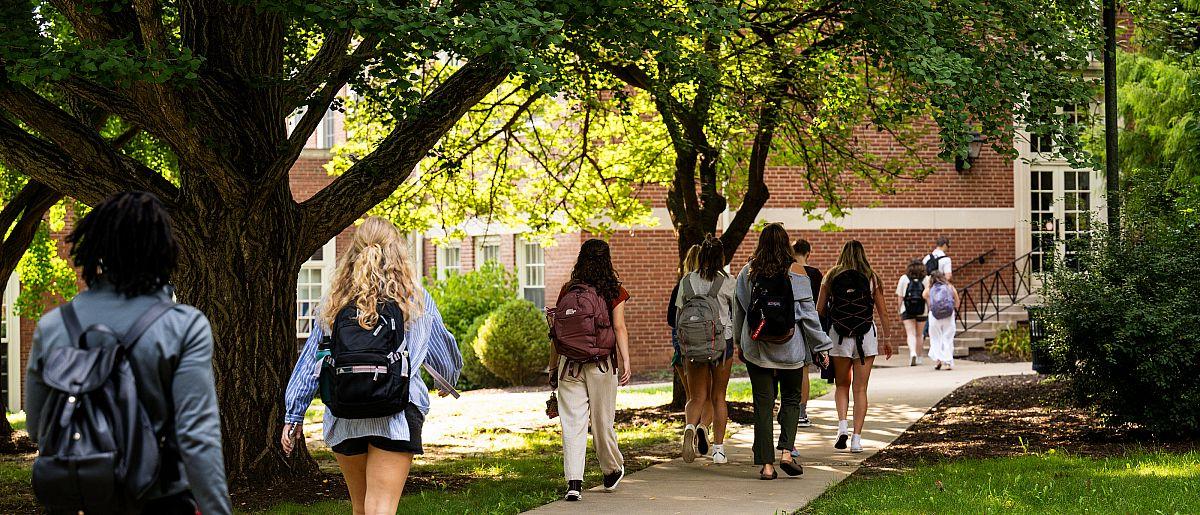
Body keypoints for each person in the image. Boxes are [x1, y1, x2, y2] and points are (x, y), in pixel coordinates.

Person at [24, 191, 232, 514]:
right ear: (163, 250)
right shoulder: (184, 326)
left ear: (97, 248)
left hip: (76, 499)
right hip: (158, 499)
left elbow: (38, 427)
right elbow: (198, 439)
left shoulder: (53, 326)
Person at [282, 217, 462, 515]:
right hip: (398, 412)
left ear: (353, 252)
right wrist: (448, 379)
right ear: (398, 253)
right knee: (380, 508)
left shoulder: (334, 300)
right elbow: (443, 353)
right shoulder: (414, 298)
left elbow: (312, 361)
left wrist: (294, 414)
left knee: (361, 508)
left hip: (345, 412)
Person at [733, 223, 832, 480]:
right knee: (791, 398)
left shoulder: (748, 272)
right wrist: (821, 346)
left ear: (761, 243)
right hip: (791, 349)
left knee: (762, 404)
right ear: (787, 244)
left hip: (757, 347)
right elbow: (809, 316)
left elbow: (741, 311)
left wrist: (739, 342)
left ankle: (766, 466)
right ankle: (787, 452)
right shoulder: (798, 272)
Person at [548, 239, 631, 501]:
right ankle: (611, 470)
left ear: (580, 259)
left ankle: (574, 483)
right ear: (607, 260)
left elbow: (556, 333)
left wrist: (552, 367)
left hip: (569, 364)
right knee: (602, 421)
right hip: (602, 364)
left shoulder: (567, 290)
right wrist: (626, 361)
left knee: (572, 423)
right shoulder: (613, 290)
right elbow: (619, 328)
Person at [818, 240, 893, 454]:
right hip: (865, 336)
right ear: (863, 254)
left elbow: (819, 309)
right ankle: (856, 439)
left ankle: (842, 426)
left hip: (838, 337)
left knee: (842, 385)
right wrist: (887, 338)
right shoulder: (872, 277)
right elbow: (883, 312)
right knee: (860, 389)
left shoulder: (831, 276)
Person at [674, 237, 737, 464]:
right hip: (722, 344)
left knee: (696, 396)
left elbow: (678, 316)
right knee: (718, 396)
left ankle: (690, 427)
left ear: (700, 257)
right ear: (721, 258)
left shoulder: (687, 281)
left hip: (693, 345)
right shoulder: (728, 281)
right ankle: (718, 450)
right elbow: (737, 315)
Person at [667, 244, 712, 440]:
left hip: (684, 348)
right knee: (709, 395)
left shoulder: (682, 285)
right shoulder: (713, 284)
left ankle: (689, 429)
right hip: (710, 346)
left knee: (692, 396)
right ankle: (703, 426)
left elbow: (671, 319)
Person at [792, 238, 824, 429]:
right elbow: (820, 304)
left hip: (788, 325)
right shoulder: (815, 274)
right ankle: (802, 412)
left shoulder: (788, 272)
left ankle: (786, 408)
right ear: (808, 253)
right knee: (804, 369)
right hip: (808, 326)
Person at [925, 270, 961, 370]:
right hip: (948, 315)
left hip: (934, 316)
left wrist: (928, 284)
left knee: (936, 338)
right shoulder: (949, 287)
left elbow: (924, 295)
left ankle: (938, 361)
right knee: (947, 338)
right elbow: (957, 303)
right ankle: (948, 361)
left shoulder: (930, 288)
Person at [896, 259, 928, 366]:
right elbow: (928, 297)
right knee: (920, 334)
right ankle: (919, 357)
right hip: (922, 310)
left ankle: (912, 353)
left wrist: (899, 309)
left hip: (907, 309)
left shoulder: (904, 278)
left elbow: (900, 296)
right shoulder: (927, 279)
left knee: (911, 334)